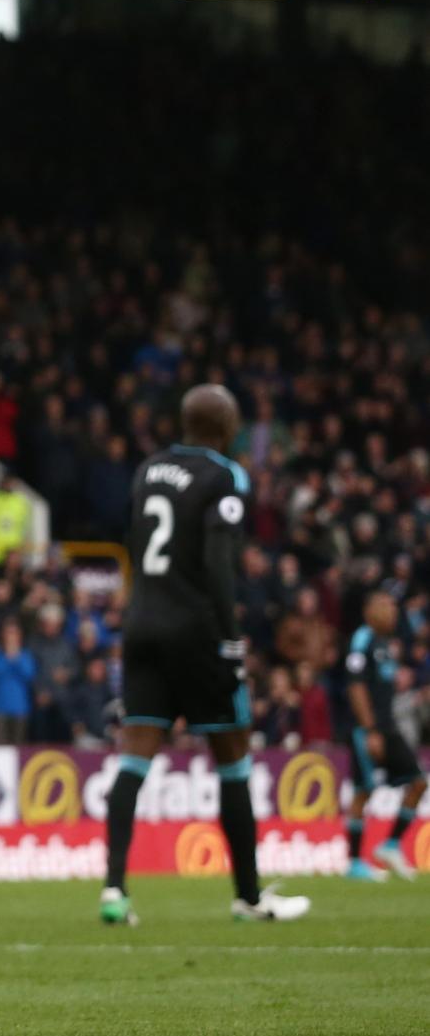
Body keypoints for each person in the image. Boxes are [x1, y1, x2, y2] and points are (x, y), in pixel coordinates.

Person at [99, 384, 309, 924]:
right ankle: (248, 896)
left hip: (142, 624)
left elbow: (135, 545)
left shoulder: (148, 470)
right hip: (196, 631)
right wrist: (232, 638)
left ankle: (114, 892)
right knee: (233, 757)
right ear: (226, 427)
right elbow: (218, 563)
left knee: (134, 756)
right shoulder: (225, 476)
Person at [340, 588, 425, 882]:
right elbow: (355, 685)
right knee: (363, 791)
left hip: (388, 727)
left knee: (417, 783)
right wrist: (370, 729)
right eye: (385, 606)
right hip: (372, 729)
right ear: (370, 611)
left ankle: (390, 846)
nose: (392, 612)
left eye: (393, 606)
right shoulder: (362, 639)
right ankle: (353, 863)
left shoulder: (386, 644)